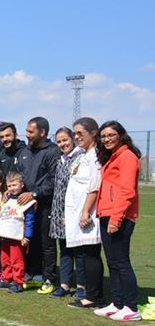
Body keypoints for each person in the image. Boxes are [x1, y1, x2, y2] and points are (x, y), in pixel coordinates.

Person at [93, 121, 142, 321]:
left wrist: (116, 218)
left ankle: (131, 307)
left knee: (121, 262)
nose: (106, 139)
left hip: (119, 216)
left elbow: (127, 191)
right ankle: (117, 303)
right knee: (112, 262)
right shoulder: (111, 157)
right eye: (103, 136)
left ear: (121, 135)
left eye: (111, 135)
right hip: (106, 214)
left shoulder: (127, 156)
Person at [19, 117, 61, 292]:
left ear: (42, 132)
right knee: (31, 240)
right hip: (26, 206)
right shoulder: (25, 152)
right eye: (27, 131)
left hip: (45, 205)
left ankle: (49, 278)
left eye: (31, 131)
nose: (27, 135)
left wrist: (34, 194)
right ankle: (34, 274)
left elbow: (54, 181)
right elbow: (20, 176)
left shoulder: (53, 152)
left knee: (47, 243)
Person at [66, 118, 104, 309]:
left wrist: (85, 211)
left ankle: (94, 296)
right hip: (78, 212)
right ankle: (91, 293)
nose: (77, 136)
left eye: (81, 133)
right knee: (85, 253)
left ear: (93, 133)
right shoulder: (83, 154)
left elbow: (94, 186)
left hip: (88, 213)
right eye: (75, 133)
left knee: (91, 254)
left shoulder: (95, 156)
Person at [48, 128, 83, 297]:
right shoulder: (60, 160)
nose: (62, 144)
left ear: (72, 139)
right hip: (59, 211)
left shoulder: (80, 158)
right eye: (59, 141)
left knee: (79, 252)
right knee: (64, 250)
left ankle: (82, 287)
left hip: (74, 212)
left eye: (65, 140)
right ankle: (65, 284)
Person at [0, 172, 36, 294]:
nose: (12, 188)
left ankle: (18, 282)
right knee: (5, 259)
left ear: (22, 184)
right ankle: (7, 278)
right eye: (9, 186)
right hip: (5, 236)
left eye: (14, 185)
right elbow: (2, 216)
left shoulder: (26, 201)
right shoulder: (7, 199)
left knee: (16, 260)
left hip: (17, 237)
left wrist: (27, 237)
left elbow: (29, 221)